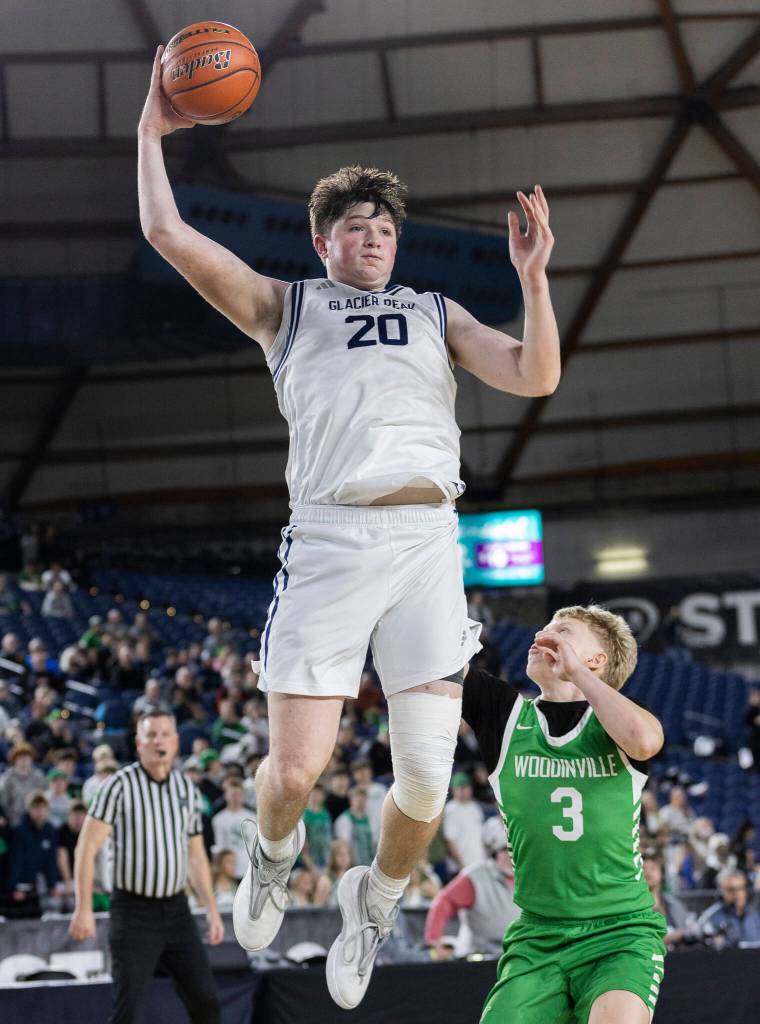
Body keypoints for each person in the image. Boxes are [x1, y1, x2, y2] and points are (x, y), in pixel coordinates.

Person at [138, 42, 559, 1011]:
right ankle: (275, 857)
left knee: (422, 780)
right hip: (328, 538)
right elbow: (165, 230)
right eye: (355, 227)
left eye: (384, 228)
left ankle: (373, 903)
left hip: (423, 544)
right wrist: (151, 130)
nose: (373, 238)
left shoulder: (433, 310)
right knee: (290, 771)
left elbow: (536, 376)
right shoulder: (285, 308)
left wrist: (532, 279)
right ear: (323, 241)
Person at [462, 605, 667, 1024]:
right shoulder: (505, 716)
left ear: (596, 660)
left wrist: (578, 675)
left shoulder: (616, 721)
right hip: (539, 936)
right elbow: (436, 665)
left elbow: (645, 741)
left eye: (563, 631)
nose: (544, 635)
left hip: (620, 933)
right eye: (544, 628)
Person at [69, 710, 224, 1024]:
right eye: (151, 735)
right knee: (128, 1011)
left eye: (165, 734)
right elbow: (87, 847)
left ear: (177, 742)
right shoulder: (119, 786)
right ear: (139, 744)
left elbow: (196, 855)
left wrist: (211, 908)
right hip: (133, 911)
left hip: (178, 909)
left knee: (207, 1003)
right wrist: (83, 906)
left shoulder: (187, 791)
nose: (159, 741)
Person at [425, 822, 519, 958]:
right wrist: (434, 940)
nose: (511, 856)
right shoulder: (475, 877)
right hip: (480, 956)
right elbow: (443, 902)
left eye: (515, 851)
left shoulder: (530, 877)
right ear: (494, 853)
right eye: (505, 850)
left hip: (518, 954)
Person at [698, 868, 760, 948]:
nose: (737, 894)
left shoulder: (755, 916)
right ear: (721, 891)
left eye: (741, 888)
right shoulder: (710, 918)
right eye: (731, 890)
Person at [442, 771, 486, 873]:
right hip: (462, 866)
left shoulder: (475, 807)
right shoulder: (451, 810)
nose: (463, 791)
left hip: (480, 861)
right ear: (454, 790)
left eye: (466, 787)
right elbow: (450, 841)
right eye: (460, 788)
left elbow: (480, 835)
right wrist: (462, 865)